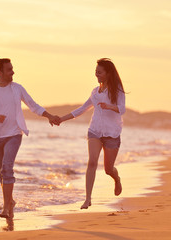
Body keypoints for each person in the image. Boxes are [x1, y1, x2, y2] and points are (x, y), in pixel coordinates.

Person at [0, 58, 60, 218]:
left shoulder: (17, 88)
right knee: (1, 174)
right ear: (0, 72)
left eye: (12, 68)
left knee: (7, 168)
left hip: (14, 134)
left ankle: (6, 208)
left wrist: (49, 116)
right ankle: (11, 201)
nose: (13, 72)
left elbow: (33, 105)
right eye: (9, 69)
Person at [58, 58, 125, 209]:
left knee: (108, 169)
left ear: (108, 73)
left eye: (100, 72)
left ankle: (116, 178)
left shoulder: (117, 90)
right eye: (96, 72)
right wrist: (62, 119)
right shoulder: (95, 92)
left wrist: (109, 106)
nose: (97, 75)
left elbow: (122, 109)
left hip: (112, 133)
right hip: (94, 131)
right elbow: (82, 109)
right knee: (92, 162)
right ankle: (87, 199)